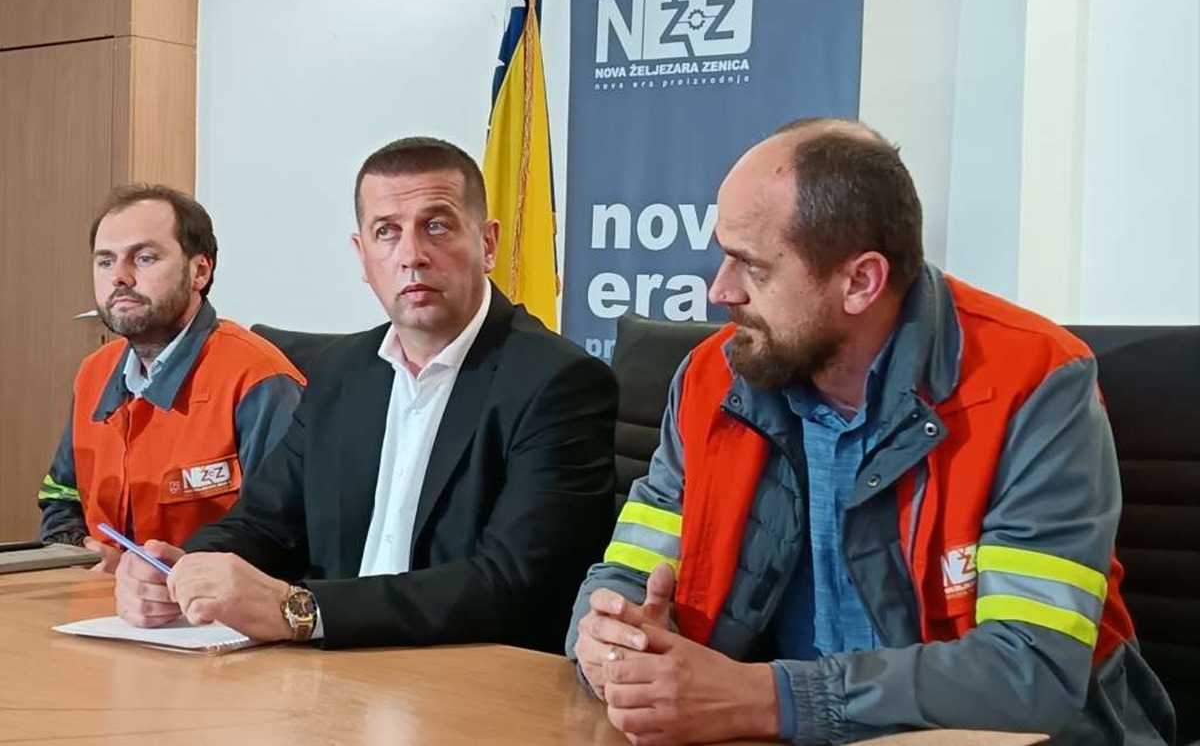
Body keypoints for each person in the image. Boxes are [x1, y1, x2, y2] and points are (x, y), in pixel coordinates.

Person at [568, 119, 1175, 745]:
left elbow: (1030, 671)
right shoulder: (711, 379)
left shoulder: (1034, 385)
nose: (719, 289)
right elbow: (629, 573)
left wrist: (765, 698)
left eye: (752, 266)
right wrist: (609, 640)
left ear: (860, 281)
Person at [113, 137, 618, 652]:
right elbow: (264, 523)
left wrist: (301, 611)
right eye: (387, 232)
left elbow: (514, 584)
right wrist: (184, 568)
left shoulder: (558, 382)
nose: (412, 256)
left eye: (436, 226)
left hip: (465, 674)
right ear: (362, 255)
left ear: (487, 244)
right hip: (329, 669)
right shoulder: (339, 371)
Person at [38, 185, 305, 572]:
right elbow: (60, 494)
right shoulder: (93, 374)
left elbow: (283, 532)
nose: (120, 277)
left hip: (204, 603)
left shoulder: (258, 379)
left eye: (144, 258)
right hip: (99, 596)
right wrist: (80, 548)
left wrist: (173, 574)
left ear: (200, 271)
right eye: (106, 261)